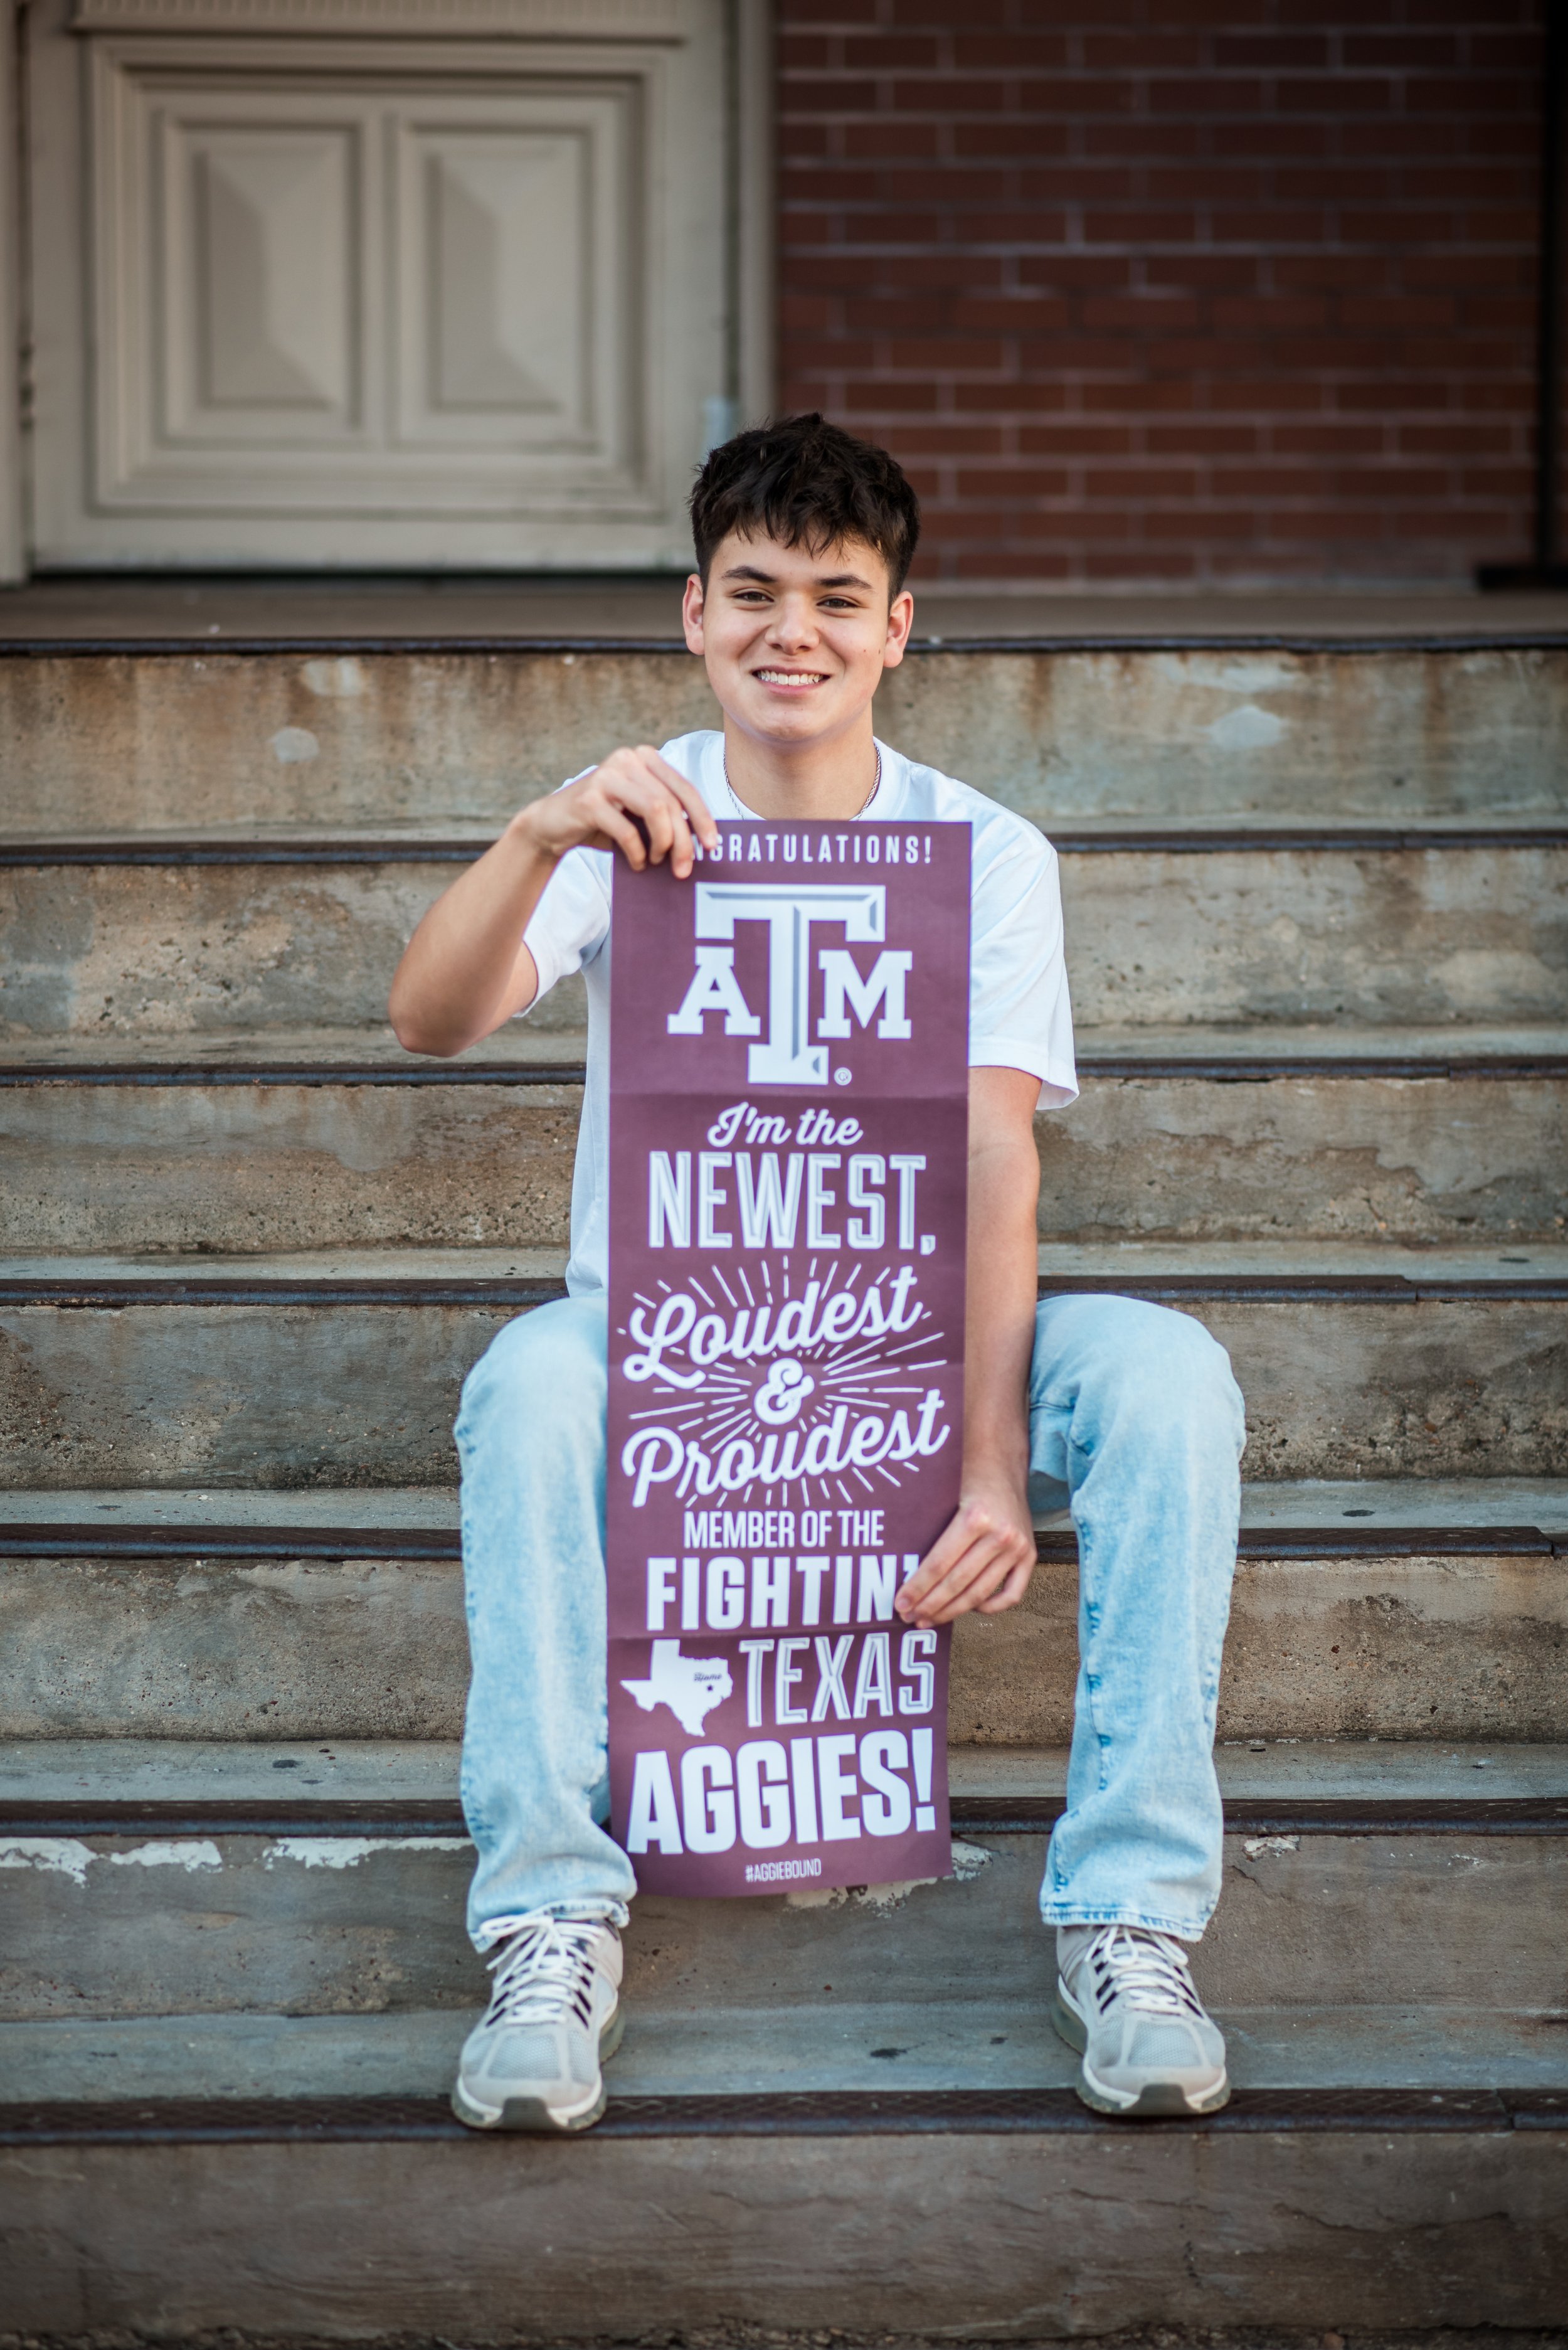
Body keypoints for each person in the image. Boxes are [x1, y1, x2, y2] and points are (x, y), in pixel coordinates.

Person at [389, 413, 1245, 2132]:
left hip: (908, 1337)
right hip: (672, 1339)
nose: (794, 630)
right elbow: (429, 1018)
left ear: (896, 628)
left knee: (1169, 1375)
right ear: (692, 613)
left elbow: (994, 1151)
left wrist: (988, 1464)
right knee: (528, 1383)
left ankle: (1129, 1914)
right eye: (753, 591)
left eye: (837, 598)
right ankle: (551, 1915)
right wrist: (540, 834)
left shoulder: (983, 851)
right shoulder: (632, 820)